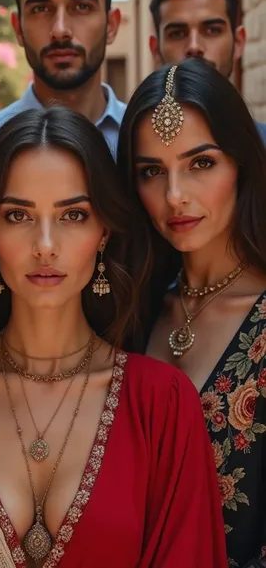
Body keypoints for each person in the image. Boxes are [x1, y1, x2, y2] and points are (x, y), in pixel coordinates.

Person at [0, 107, 227, 568]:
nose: (45, 244)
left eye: (73, 214)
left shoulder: (163, 404)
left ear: (104, 232)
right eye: (17, 215)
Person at [117, 57, 266, 567]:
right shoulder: (127, 313)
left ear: (241, 163)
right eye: (152, 171)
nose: (175, 196)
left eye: (201, 163)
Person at [0, 0, 126, 156]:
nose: (60, 30)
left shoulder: (147, 143)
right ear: (18, 28)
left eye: (82, 7)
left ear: (111, 25)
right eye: (41, 9)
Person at [149, 0, 266, 142]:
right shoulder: (129, 154)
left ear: (239, 42)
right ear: (156, 50)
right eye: (177, 33)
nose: (194, 46)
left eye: (212, 30)